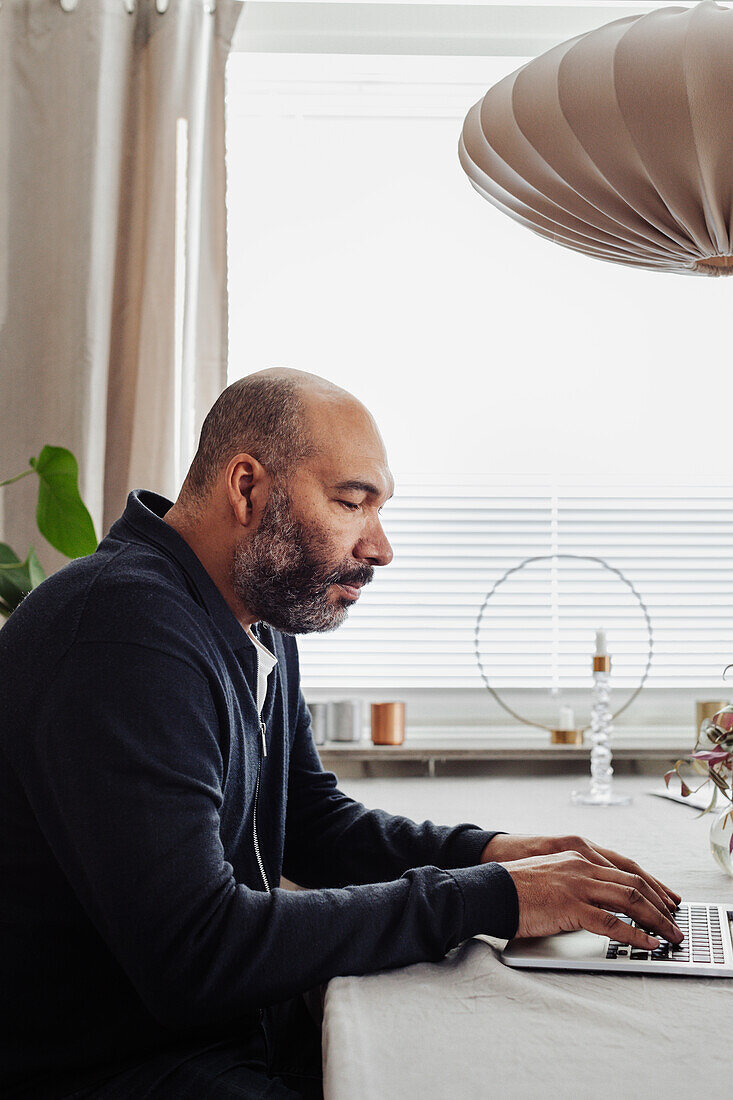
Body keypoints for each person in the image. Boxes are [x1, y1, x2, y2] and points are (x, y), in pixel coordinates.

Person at [0, 369, 683, 1099]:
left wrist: (488, 854)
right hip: (116, 1069)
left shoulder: (247, 613)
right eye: (352, 503)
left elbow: (309, 823)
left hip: (220, 1036)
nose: (381, 548)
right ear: (247, 488)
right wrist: (487, 896)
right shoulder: (122, 631)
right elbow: (194, 954)